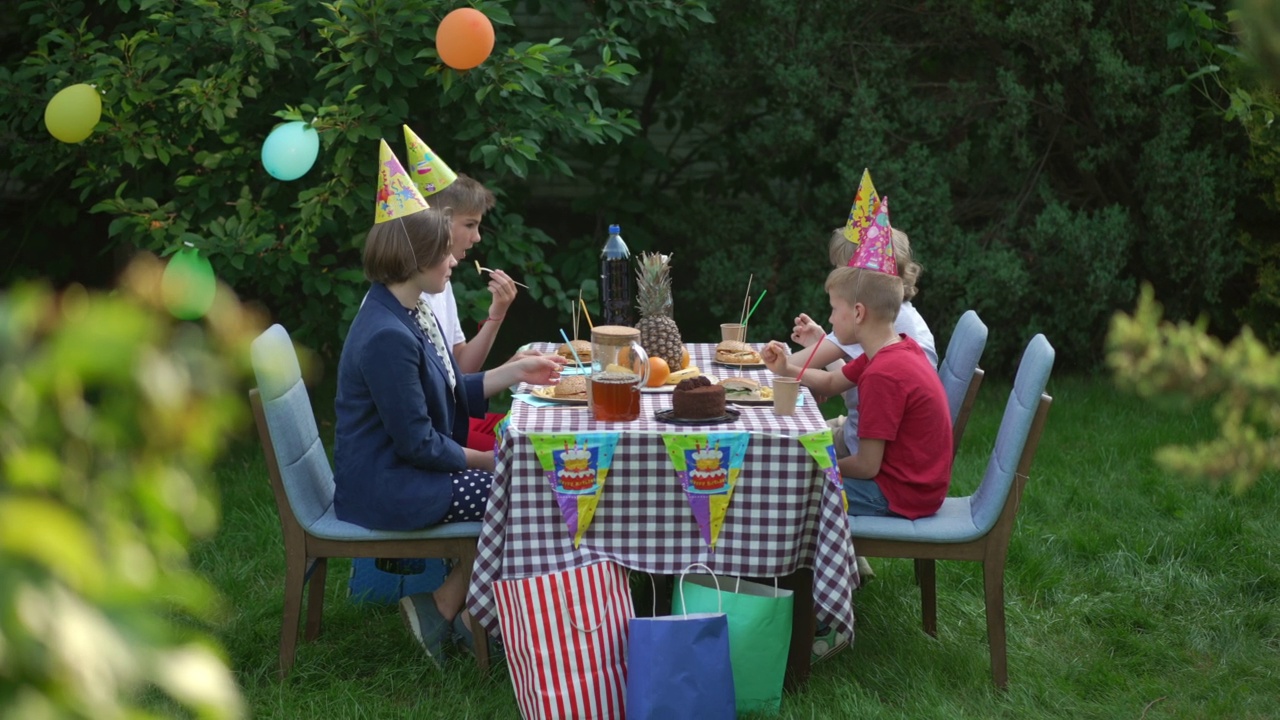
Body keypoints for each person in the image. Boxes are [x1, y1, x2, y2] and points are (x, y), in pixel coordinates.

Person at [334, 203, 565, 665]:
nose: (455, 259)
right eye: (445, 252)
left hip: (403, 471)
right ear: (416, 258)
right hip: (391, 485)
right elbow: (418, 444)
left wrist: (515, 371)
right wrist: (494, 460)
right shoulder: (387, 336)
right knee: (533, 492)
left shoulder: (406, 311)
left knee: (534, 487)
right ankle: (478, 618)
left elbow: (450, 387)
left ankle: (449, 609)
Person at [788, 228, 937, 459]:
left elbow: (780, 368)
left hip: (877, 455)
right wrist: (818, 342)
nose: (834, 275)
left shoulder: (877, 326)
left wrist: (771, 362)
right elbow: (844, 385)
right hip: (863, 433)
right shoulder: (893, 321)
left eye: (839, 269)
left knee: (780, 450)